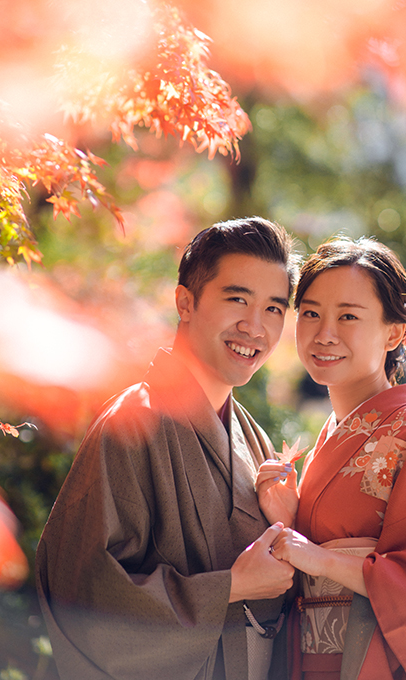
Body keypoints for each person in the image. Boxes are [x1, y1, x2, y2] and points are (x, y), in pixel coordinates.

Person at [36, 217, 301, 680]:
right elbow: (83, 589)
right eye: (237, 299)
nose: (254, 327)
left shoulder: (253, 439)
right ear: (185, 301)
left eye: (274, 309)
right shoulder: (131, 423)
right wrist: (231, 586)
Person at [255, 236, 406, 680]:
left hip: (382, 662)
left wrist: (319, 560)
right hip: (316, 661)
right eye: (311, 313)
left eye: (348, 317)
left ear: (394, 332)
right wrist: (290, 515)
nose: (324, 334)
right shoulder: (331, 434)